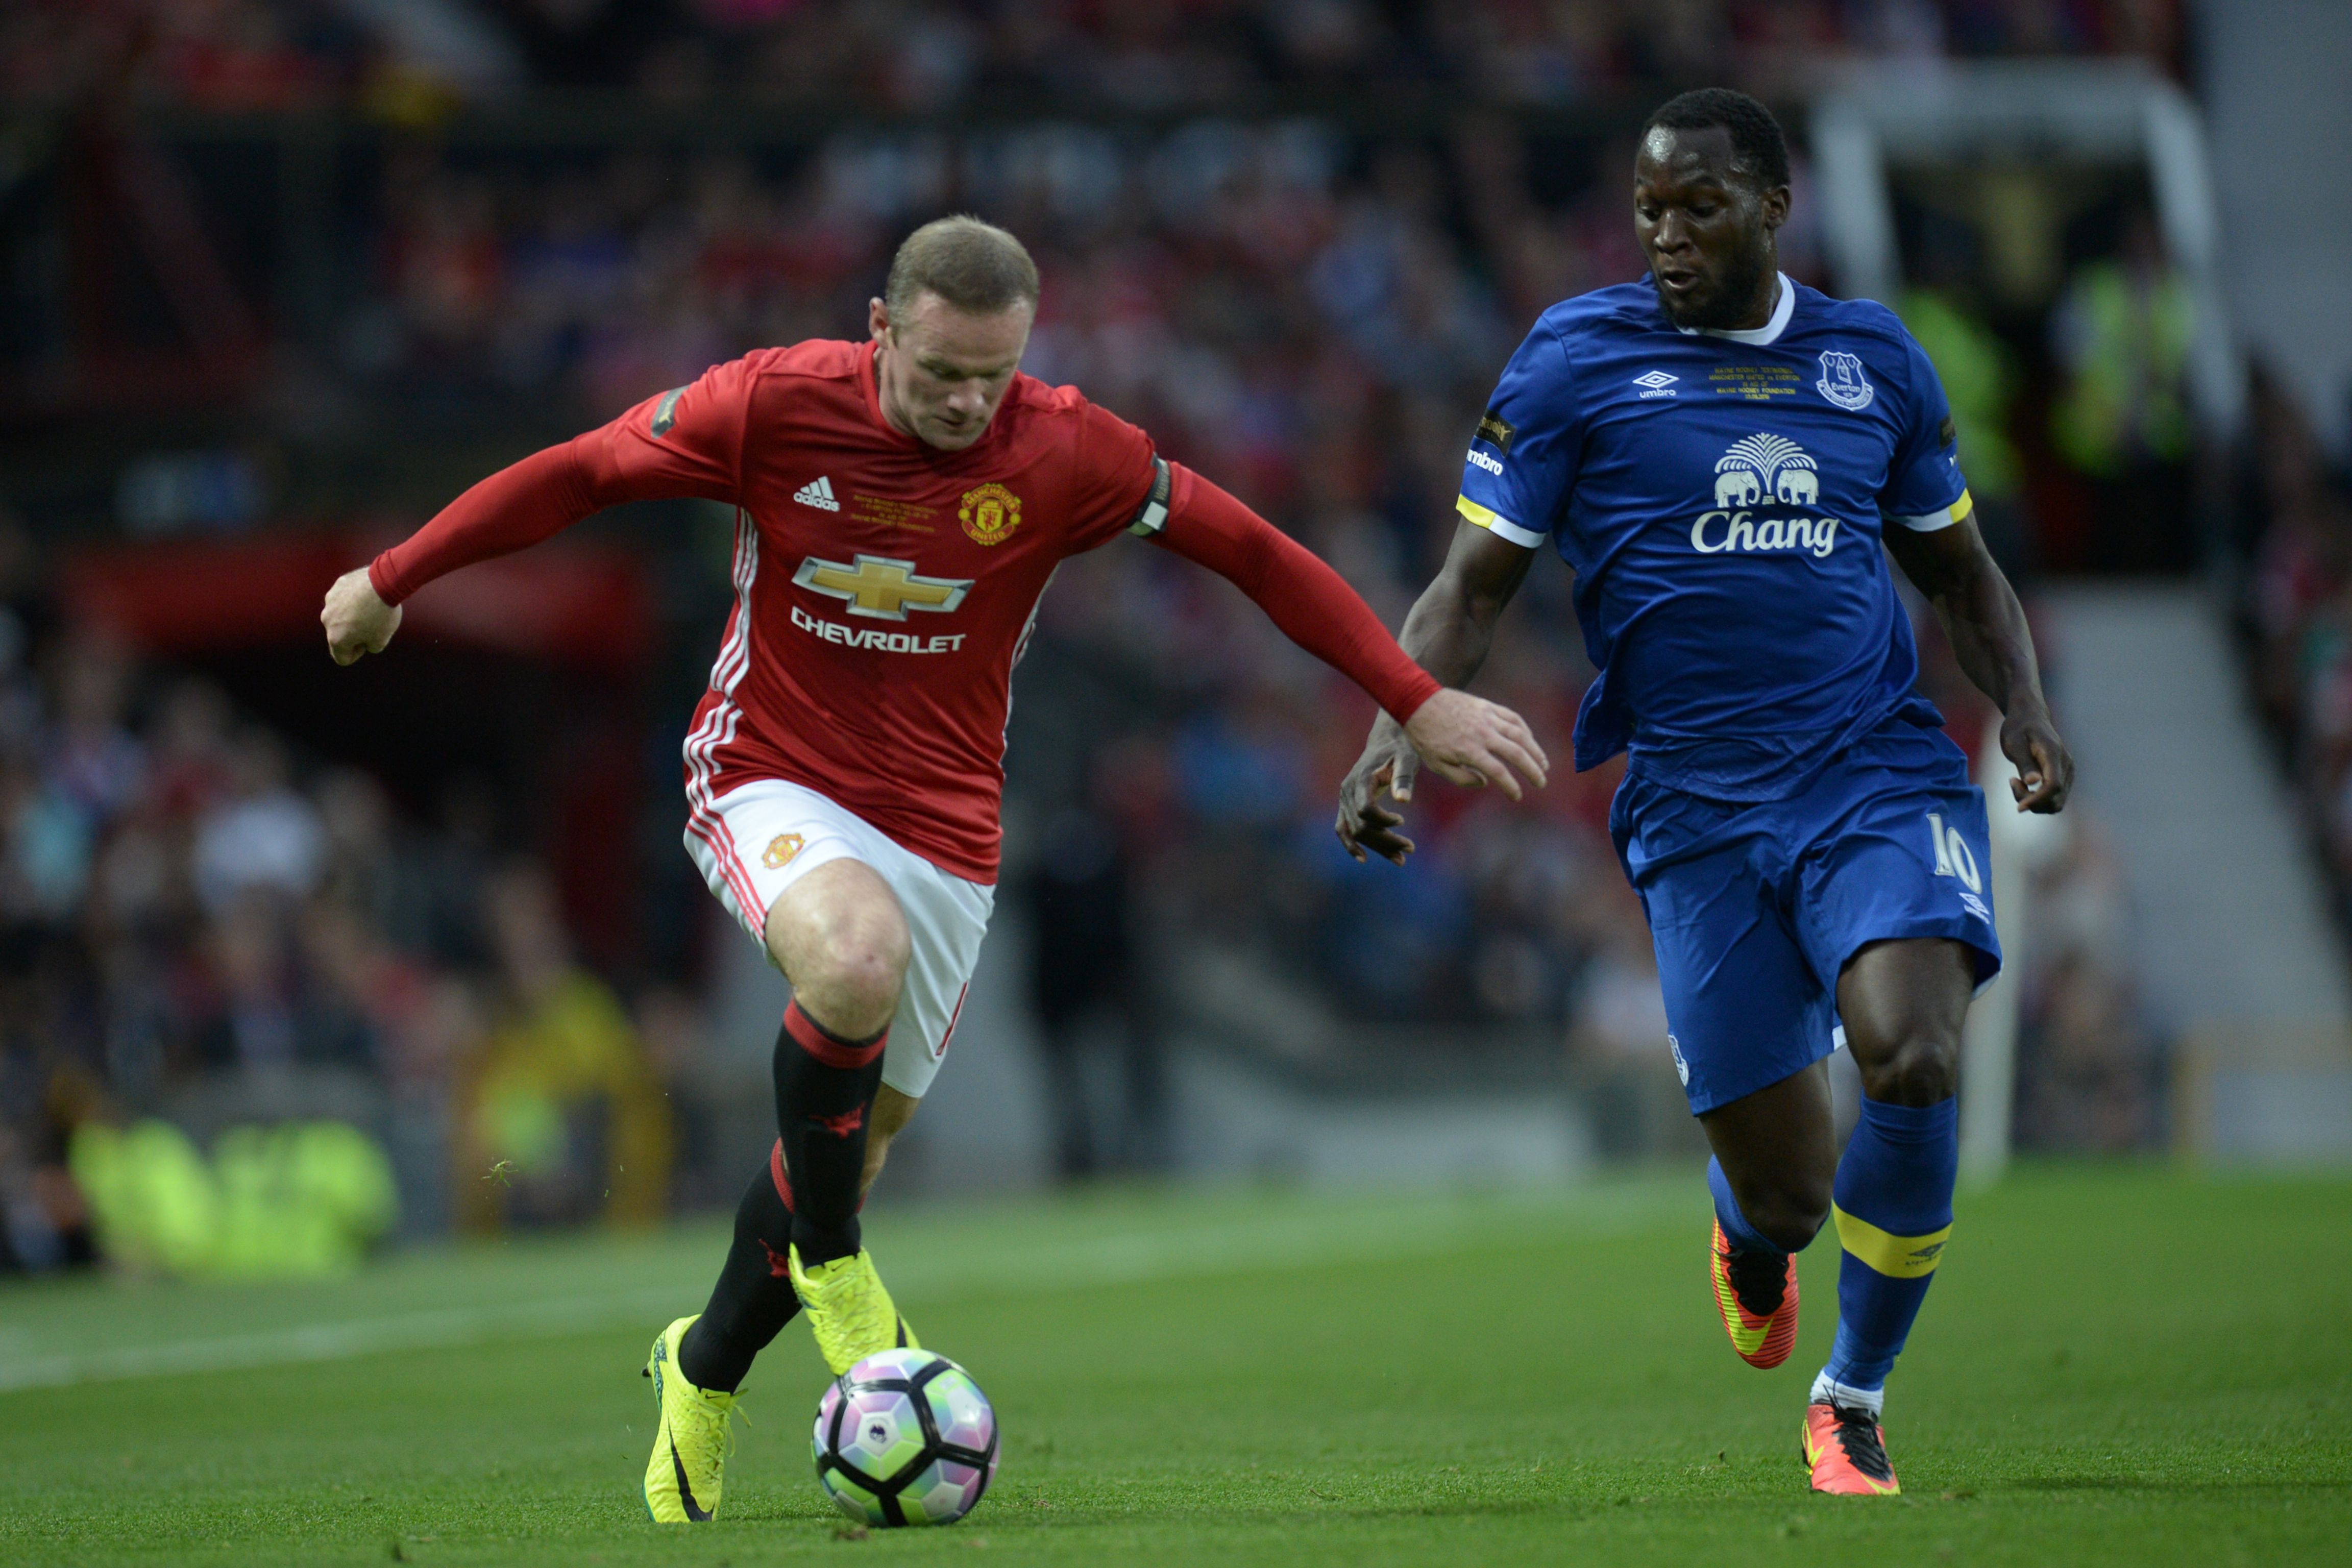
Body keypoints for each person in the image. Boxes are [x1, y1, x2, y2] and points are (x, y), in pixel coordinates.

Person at [318, 215, 1546, 1523]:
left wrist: (1412, 699)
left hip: (948, 830)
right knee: (852, 966)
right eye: (941, 371)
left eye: (994, 376)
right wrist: (394, 578)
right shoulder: (771, 407)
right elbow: (579, 474)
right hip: (769, 768)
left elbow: (1250, 551)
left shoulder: (1068, 446)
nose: (969, 402)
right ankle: (844, 1269)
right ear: (880, 329)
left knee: (847, 1149)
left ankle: (704, 1366)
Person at [1334, 90, 2072, 1497]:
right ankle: (1748, 1233)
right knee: (1794, 1193)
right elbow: (1468, 589)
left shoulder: (1872, 361)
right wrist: (1390, 734)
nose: (1668, 236)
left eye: (1700, 207)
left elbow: (1960, 572)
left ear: (1773, 208)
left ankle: (1850, 1399)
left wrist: (2026, 708)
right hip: (1696, 810)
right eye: (1650, 210)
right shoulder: (1573, 363)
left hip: (1874, 769)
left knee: (1914, 1053)